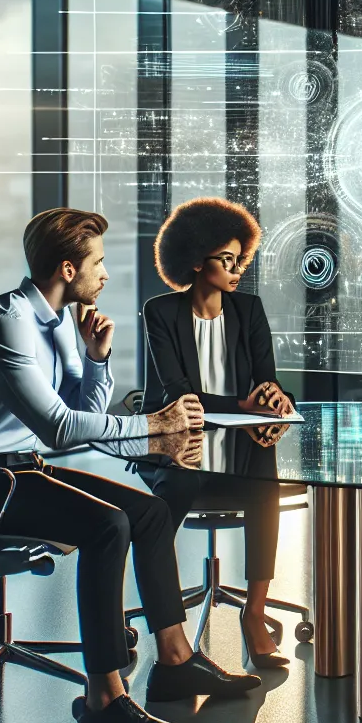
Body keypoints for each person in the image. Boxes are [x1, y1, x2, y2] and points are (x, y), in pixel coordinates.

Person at [0, 208, 261, 723]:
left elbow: (80, 418)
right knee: (108, 526)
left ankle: (177, 660)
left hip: (21, 473)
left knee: (149, 512)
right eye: (99, 263)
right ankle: (104, 702)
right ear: (68, 268)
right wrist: (154, 426)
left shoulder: (59, 321)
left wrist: (97, 359)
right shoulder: (7, 325)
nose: (105, 275)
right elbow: (61, 429)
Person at [141, 197, 296, 670]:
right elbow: (179, 394)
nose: (236, 269)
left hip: (240, 447)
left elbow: (267, 379)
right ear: (194, 260)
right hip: (177, 446)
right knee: (164, 506)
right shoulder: (161, 312)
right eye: (225, 260)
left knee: (264, 481)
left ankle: (255, 612)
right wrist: (241, 405)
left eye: (238, 259)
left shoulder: (248, 310)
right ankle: (172, 634)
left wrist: (274, 399)